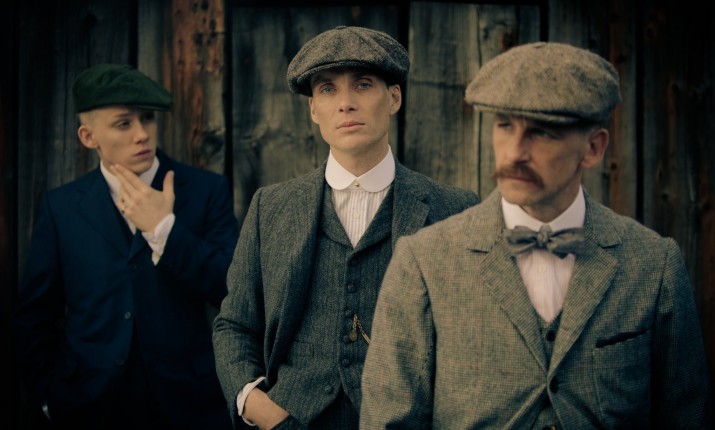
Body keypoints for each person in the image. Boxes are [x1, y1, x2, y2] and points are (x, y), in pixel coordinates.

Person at [360, 42, 712, 429]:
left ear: (593, 148)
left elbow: (687, 417)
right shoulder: (424, 260)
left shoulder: (653, 263)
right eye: (505, 126)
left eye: (542, 132)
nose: (514, 153)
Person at [212, 26, 479, 430]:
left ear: (394, 98)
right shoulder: (271, 207)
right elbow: (235, 324)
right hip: (289, 419)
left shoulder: (453, 209)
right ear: (313, 110)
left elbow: (474, 341)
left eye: (363, 84)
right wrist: (255, 405)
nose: (346, 103)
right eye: (327, 89)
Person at [14, 64, 238, 429]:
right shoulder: (62, 207)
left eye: (147, 118)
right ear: (88, 136)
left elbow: (232, 289)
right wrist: (47, 397)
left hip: (189, 406)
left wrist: (164, 230)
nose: (142, 134)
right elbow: (34, 316)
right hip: (88, 405)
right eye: (123, 124)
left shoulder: (205, 190)